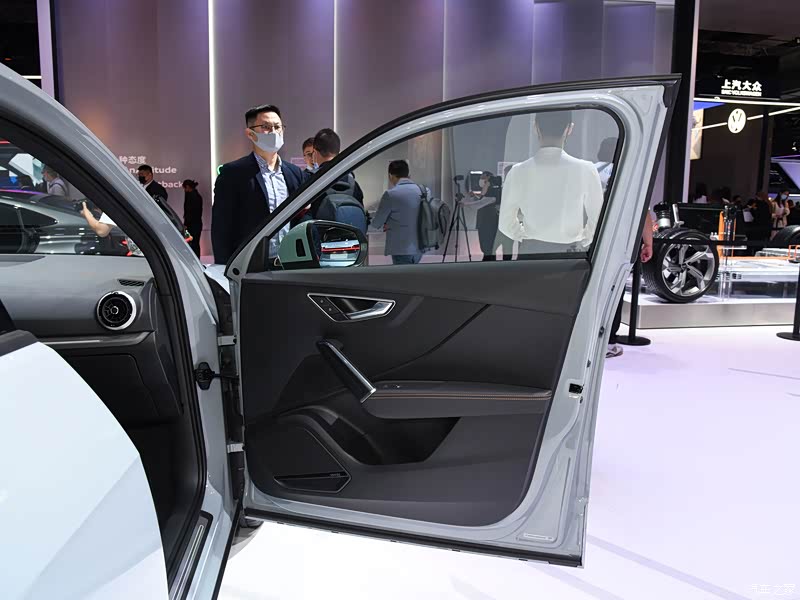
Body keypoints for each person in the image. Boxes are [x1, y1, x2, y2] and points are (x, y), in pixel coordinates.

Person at [211, 104, 307, 264]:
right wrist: (224, 267)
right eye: (266, 127)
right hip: (250, 264)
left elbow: (300, 217)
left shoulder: (294, 173)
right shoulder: (232, 173)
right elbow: (221, 227)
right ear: (250, 133)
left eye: (277, 127)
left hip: (289, 262)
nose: (274, 132)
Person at [499, 110, 603, 255]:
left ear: (536, 127)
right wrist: (584, 238)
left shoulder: (517, 171)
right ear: (569, 129)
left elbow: (505, 223)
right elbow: (598, 219)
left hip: (530, 250)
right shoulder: (586, 169)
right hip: (572, 251)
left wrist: (524, 235)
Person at [607, 211, 654, 358]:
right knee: (614, 290)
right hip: (621, 243)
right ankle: (607, 343)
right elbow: (644, 212)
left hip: (588, 241)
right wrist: (648, 243)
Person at [371, 160, 423, 265]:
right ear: (408, 175)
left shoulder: (390, 195)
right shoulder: (424, 191)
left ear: (390, 176)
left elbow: (377, 223)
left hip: (400, 248)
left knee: (402, 275)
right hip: (420, 246)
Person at [183, 179, 203, 257]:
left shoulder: (191, 197)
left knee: (192, 243)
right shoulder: (197, 196)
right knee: (195, 243)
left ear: (187, 187)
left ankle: (193, 259)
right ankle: (196, 259)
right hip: (197, 224)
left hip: (192, 225)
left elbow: (190, 212)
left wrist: (186, 224)